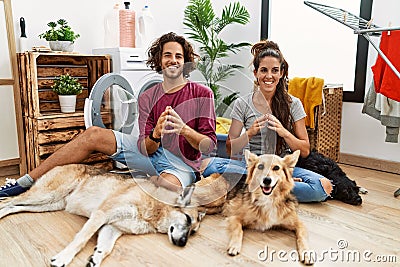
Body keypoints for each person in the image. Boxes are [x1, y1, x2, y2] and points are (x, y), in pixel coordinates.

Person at [0, 32, 219, 197]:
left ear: (186, 61)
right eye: (167, 55)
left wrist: (184, 130)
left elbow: (209, 146)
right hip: (152, 155)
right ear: (159, 61)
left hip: (182, 164)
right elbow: (146, 147)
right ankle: (25, 182)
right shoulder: (148, 97)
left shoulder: (202, 94)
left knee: (166, 188)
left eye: (178, 56)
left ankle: (148, 181)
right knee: (94, 133)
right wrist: (155, 135)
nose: (173, 60)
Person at [225, 40, 333, 202]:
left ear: (281, 73)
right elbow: (230, 148)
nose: (269, 76)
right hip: (252, 168)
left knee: (323, 187)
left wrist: (284, 132)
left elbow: (304, 150)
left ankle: (263, 188)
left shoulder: (293, 104)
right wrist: (250, 132)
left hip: (280, 168)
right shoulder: (242, 103)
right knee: (209, 166)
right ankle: (276, 188)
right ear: (255, 73)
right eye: (264, 70)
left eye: (274, 70)